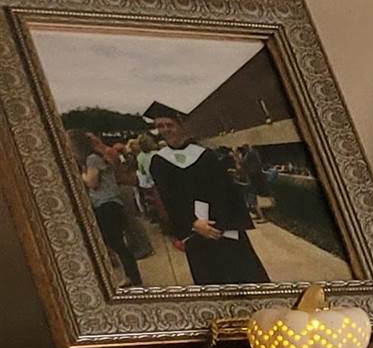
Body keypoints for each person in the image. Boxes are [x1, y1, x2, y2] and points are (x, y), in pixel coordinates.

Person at [140, 102, 267, 285]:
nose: (165, 129)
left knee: (245, 278)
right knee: (211, 281)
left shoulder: (205, 155)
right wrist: (193, 222)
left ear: (180, 125)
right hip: (195, 232)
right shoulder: (159, 162)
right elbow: (170, 199)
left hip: (222, 227)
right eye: (160, 126)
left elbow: (224, 191)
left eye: (170, 124)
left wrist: (220, 224)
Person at [70, 131, 143, 281]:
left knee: (115, 243)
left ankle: (132, 276)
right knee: (116, 243)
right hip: (110, 203)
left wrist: (80, 175)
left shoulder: (92, 159)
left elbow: (92, 182)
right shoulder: (97, 157)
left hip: (106, 204)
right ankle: (130, 275)